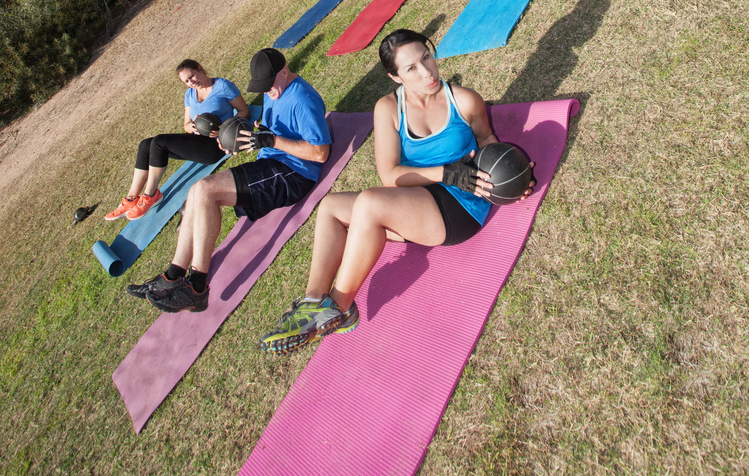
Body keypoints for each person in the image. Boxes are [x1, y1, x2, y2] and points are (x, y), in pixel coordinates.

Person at [259, 28, 535, 355]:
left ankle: (341, 306)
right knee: (331, 206)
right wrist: (446, 172)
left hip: (459, 208)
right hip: (422, 196)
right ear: (395, 76)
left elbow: (488, 140)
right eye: (411, 68)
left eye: (426, 58)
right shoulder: (389, 109)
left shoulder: (463, 100)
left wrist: (510, 176)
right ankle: (313, 301)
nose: (427, 72)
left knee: (370, 204)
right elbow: (391, 175)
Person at [126, 48, 330, 313]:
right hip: (270, 163)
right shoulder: (274, 90)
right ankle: (172, 276)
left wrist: (272, 141)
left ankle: (197, 287)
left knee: (205, 191)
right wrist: (240, 137)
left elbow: (320, 153)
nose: (267, 91)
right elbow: (268, 130)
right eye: (263, 87)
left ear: (284, 71)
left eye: (269, 85)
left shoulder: (302, 99)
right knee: (195, 193)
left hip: (292, 174)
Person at [104, 59, 250, 222]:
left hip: (215, 146)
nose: (191, 83)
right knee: (146, 144)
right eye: (186, 81)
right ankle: (131, 199)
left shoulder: (223, 86)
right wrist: (192, 127)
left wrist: (223, 127)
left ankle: (150, 195)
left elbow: (244, 111)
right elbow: (186, 125)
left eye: (192, 76)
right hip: (196, 140)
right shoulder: (189, 94)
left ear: (200, 69)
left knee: (159, 142)